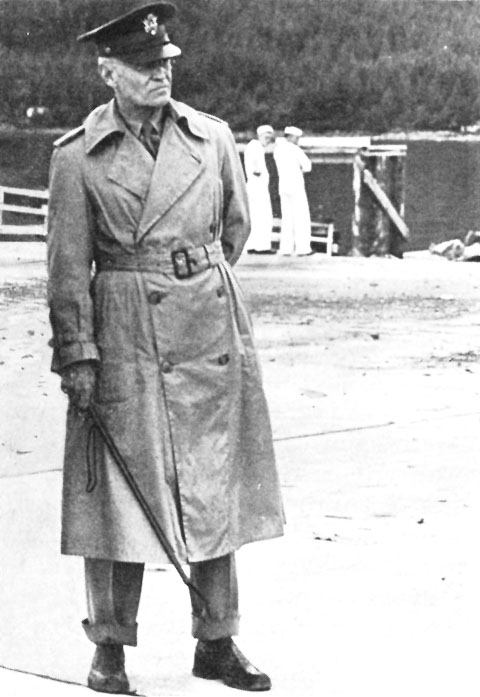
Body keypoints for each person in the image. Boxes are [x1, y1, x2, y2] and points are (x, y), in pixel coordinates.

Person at [47, 3, 284, 693]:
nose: (161, 74)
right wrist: (79, 354)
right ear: (109, 72)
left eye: (166, 62)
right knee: (118, 494)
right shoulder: (77, 156)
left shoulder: (212, 138)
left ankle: (217, 639)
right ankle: (109, 648)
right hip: (126, 333)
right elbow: (67, 268)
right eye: (145, 65)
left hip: (208, 327)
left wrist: (192, 276)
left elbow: (234, 229)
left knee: (214, 485)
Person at [273, 125, 313, 256]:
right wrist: (300, 171)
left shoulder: (278, 149)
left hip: (283, 186)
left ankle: (286, 248)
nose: (297, 141)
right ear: (291, 137)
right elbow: (307, 166)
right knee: (301, 216)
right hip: (296, 186)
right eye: (297, 138)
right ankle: (303, 248)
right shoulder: (295, 149)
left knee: (287, 218)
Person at [244, 125, 275, 254]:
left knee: (254, 216)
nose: (267, 140)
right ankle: (262, 246)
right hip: (257, 186)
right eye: (266, 137)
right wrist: (258, 171)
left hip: (255, 186)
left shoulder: (253, 146)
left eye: (269, 138)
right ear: (260, 135)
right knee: (263, 216)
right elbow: (256, 168)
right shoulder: (256, 147)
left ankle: (252, 245)